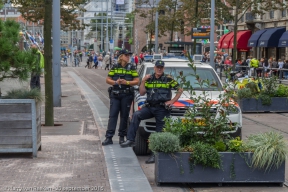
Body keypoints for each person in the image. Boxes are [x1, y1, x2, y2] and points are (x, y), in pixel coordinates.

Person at [120, 60, 183, 164]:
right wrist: (143, 80)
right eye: (157, 67)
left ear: (163, 69)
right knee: (136, 115)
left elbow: (180, 90)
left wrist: (172, 101)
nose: (159, 69)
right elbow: (141, 92)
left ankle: (154, 156)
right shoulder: (149, 79)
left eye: (161, 67)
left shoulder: (168, 79)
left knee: (158, 133)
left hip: (162, 109)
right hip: (150, 107)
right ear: (154, 68)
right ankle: (130, 140)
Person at [102, 49, 140, 146]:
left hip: (126, 95)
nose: (128, 57)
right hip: (115, 94)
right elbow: (107, 79)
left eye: (129, 55)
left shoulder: (131, 67)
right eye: (126, 55)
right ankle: (109, 137)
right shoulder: (115, 66)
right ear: (121, 56)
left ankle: (122, 137)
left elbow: (137, 81)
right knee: (113, 116)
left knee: (124, 117)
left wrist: (126, 82)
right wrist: (115, 82)